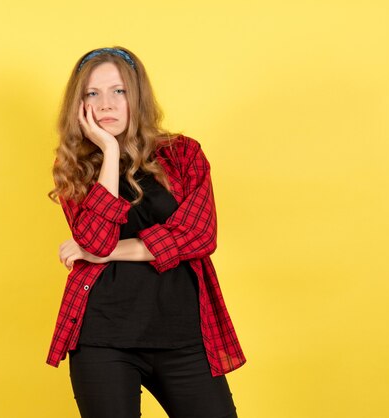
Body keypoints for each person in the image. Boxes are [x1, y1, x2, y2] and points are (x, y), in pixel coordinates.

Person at [46, 46, 246, 418]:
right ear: (80, 103)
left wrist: (102, 254)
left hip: (184, 336)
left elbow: (200, 236)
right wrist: (107, 151)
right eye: (93, 93)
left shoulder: (183, 155)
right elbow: (96, 239)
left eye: (118, 91)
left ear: (137, 96)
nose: (105, 104)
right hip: (103, 339)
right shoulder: (74, 166)